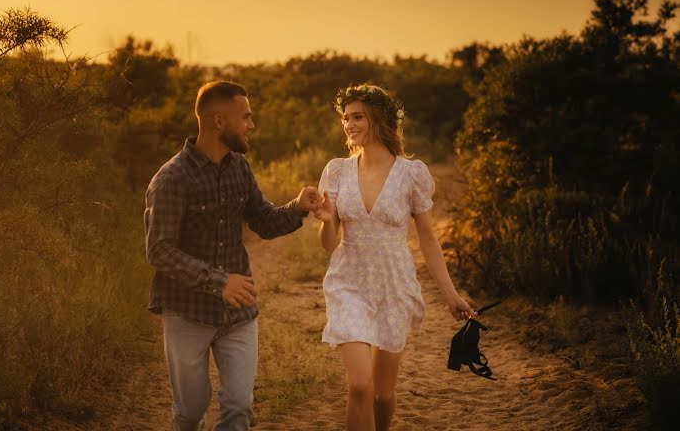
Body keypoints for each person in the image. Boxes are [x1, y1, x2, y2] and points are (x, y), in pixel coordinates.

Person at [145, 80, 322, 431]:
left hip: (239, 313)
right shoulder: (172, 178)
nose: (251, 125)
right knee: (190, 411)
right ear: (218, 122)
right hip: (188, 312)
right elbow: (159, 250)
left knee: (239, 409)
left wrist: (298, 207)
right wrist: (219, 282)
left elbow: (263, 220)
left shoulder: (239, 166)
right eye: (245, 117)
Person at [312, 83, 475, 431]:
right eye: (345, 118)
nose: (349, 124)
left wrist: (451, 295)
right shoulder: (337, 171)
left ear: (380, 119)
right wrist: (327, 222)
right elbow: (328, 244)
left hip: (393, 285)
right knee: (359, 386)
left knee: (382, 396)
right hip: (348, 282)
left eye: (357, 116)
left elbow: (429, 241)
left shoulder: (411, 174)